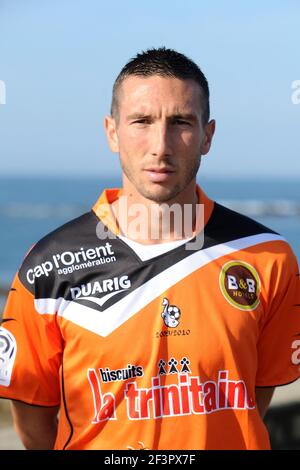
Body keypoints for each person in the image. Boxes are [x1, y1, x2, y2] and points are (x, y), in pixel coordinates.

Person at [0, 47, 299, 450]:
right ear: (111, 132)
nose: (161, 145)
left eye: (181, 122)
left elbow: (251, 400)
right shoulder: (46, 266)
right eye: (141, 121)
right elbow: (33, 420)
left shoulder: (268, 256)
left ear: (207, 136)